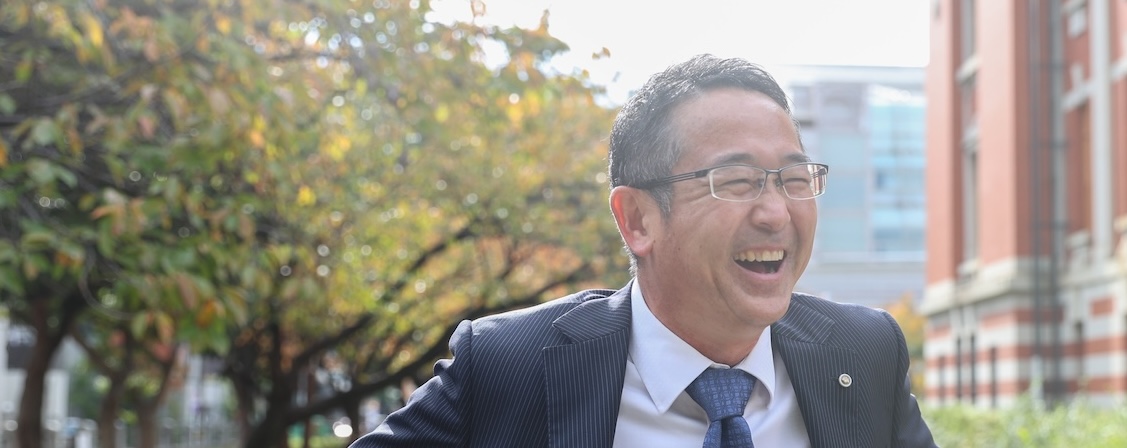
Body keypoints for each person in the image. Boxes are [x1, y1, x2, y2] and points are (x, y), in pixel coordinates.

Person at [350, 54, 936, 447]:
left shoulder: (864, 353)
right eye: (736, 181)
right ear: (637, 220)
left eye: (794, 178)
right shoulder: (510, 365)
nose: (776, 212)